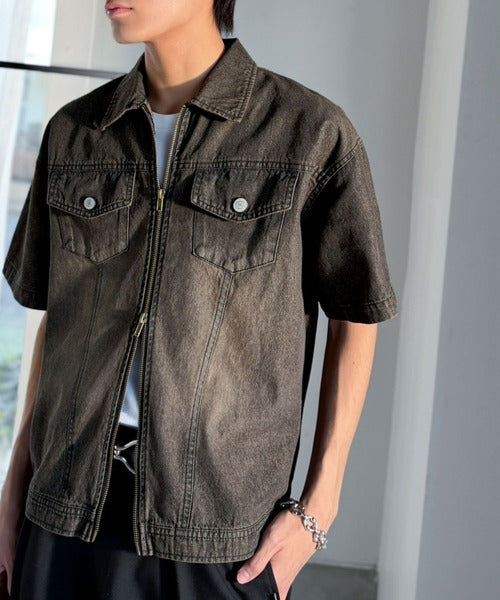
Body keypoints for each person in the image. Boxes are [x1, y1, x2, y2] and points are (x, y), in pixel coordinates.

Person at [0, 0, 398, 598]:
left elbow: (356, 316)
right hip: (65, 510)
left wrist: (320, 505)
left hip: (221, 532)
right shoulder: (75, 132)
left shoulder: (310, 133)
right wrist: (16, 484)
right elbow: (59, 318)